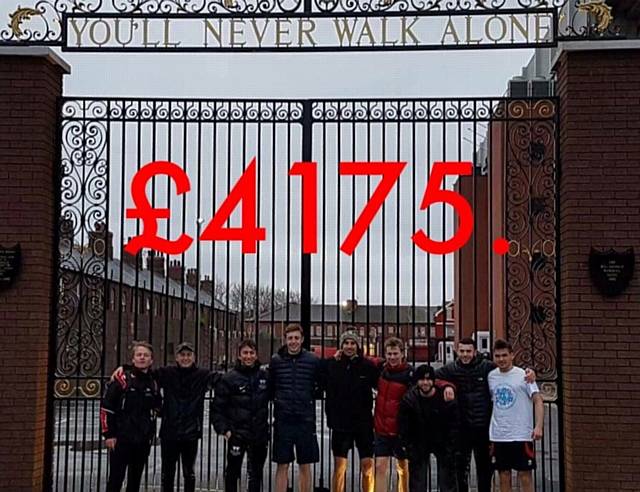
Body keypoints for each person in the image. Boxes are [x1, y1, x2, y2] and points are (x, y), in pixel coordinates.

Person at [112, 342, 219, 492]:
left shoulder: (202, 375)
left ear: (194, 357)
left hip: (191, 431)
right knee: (167, 472)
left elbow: (224, 381)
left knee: (189, 472)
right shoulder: (167, 373)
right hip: (170, 431)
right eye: (182, 355)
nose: (185, 358)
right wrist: (125, 368)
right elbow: (144, 373)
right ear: (176, 357)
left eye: (188, 355)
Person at [435, 337, 535, 492]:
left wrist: (529, 372)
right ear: (456, 351)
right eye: (462, 351)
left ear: (475, 351)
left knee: (485, 471)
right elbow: (431, 377)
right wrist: (447, 385)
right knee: (460, 471)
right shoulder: (451, 369)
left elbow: (507, 368)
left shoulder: (487, 368)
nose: (465, 354)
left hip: (484, 429)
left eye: (468, 351)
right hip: (462, 428)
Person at [323, 330, 379, 492]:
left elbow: (380, 382)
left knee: (367, 465)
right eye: (346, 343)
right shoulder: (332, 365)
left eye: (352, 343)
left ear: (358, 346)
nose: (349, 346)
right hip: (340, 423)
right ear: (341, 346)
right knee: (339, 467)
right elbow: (319, 376)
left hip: (363, 423)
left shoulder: (367, 366)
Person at [101, 341, 162, 492]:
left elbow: (158, 407)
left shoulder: (154, 382)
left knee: (135, 480)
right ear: (133, 359)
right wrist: (108, 434)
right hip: (121, 438)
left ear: (151, 360)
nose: (142, 358)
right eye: (139, 355)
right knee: (115, 479)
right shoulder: (122, 380)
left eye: (146, 355)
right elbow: (106, 408)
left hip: (142, 439)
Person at [211, 339, 270, 492]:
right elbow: (217, 408)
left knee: (256, 474)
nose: (248, 356)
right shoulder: (229, 378)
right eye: (245, 353)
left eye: (251, 353)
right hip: (237, 434)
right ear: (239, 356)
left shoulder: (265, 377)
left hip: (259, 434)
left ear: (256, 355)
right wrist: (224, 430)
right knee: (232, 472)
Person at [270, 324, 322, 492]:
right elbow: (270, 387)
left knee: (305, 464)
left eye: (296, 338)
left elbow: (321, 385)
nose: (293, 341)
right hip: (283, 419)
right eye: (290, 338)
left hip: (305, 420)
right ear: (285, 340)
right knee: (282, 464)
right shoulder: (276, 361)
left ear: (302, 339)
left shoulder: (313, 360)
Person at [488, 339, 543, 492]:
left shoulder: (524, 376)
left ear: (512, 355)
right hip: (499, 435)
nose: (501, 359)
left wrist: (538, 426)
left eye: (504, 355)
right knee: (503, 476)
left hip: (521, 434)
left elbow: (538, 400)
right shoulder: (491, 376)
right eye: (497, 356)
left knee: (525, 476)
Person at [398, 364, 460, 492]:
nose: (425, 383)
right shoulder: (409, 399)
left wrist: (452, 444)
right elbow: (404, 425)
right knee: (418, 482)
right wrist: (408, 445)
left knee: (447, 481)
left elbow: (454, 422)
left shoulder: (445, 397)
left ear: (434, 381)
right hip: (419, 440)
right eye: (421, 379)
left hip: (442, 440)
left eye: (428, 379)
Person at [373, 337, 412, 492]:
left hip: (401, 429)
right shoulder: (381, 370)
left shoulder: (410, 374)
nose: (392, 357)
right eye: (389, 354)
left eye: (395, 353)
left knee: (403, 467)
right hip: (382, 427)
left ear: (402, 353)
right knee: (380, 466)